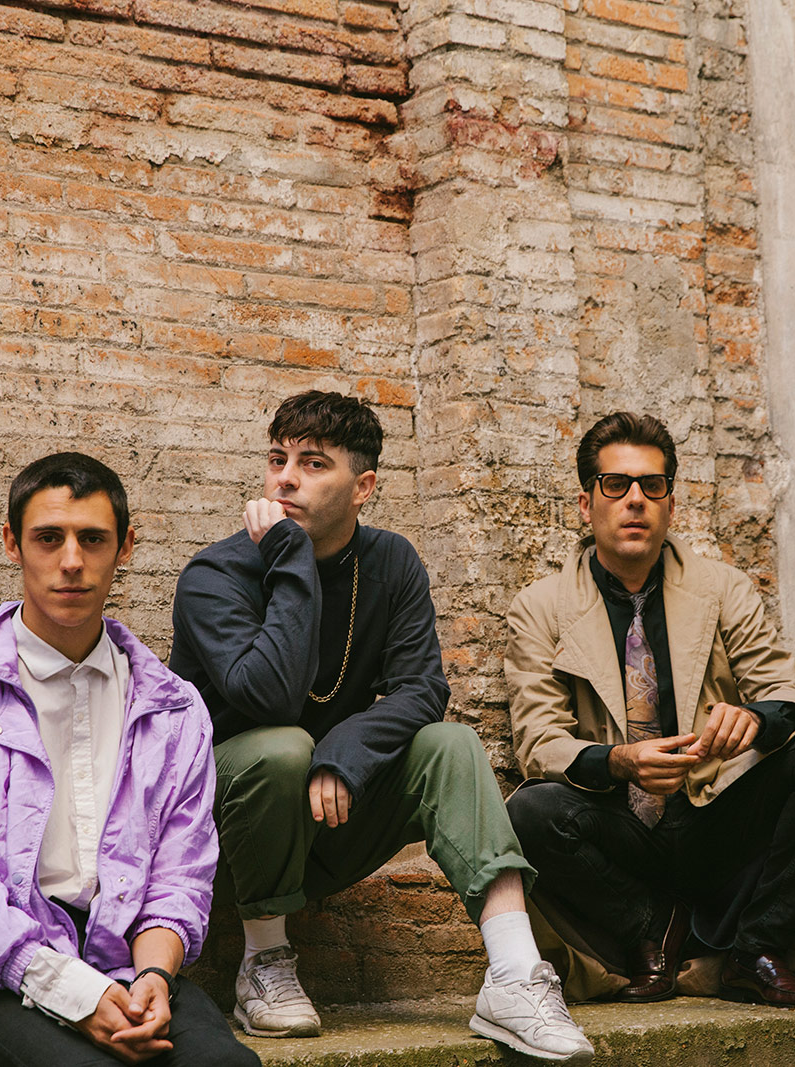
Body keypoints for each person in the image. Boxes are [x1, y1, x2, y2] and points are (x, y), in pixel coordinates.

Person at [169, 391, 591, 1062]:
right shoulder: (215, 575)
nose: (285, 479)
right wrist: (290, 556)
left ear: (363, 487)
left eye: (313, 463)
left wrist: (345, 752)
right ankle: (263, 961)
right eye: (278, 460)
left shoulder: (390, 562)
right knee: (284, 747)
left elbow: (423, 686)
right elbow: (270, 697)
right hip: (225, 833)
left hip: (329, 819)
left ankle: (515, 975)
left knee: (450, 742)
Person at [504, 413, 795, 1008]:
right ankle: (651, 928)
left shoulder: (721, 588)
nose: (635, 500)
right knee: (529, 812)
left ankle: (756, 951)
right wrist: (621, 761)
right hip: (617, 831)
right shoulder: (541, 607)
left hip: (714, 816)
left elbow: (791, 691)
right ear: (586, 504)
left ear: (670, 504)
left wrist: (757, 719)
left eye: (652, 485)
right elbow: (539, 741)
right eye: (616, 485)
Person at [0, 453, 258, 1067]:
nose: (72, 561)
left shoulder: (174, 707)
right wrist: (76, 995)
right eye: (49, 538)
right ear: (12, 543)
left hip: (123, 962)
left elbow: (180, 873)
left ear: (126, 546)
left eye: (94, 539)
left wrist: (154, 978)